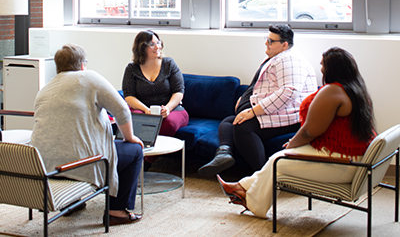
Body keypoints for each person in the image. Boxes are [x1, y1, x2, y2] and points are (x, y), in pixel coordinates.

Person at [217, 47, 376, 218]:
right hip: (351, 156)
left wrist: (292, 145)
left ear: (332, 68)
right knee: (277, 160)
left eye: (322, 65)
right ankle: (242, 188)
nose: (320, 68)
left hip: (342, 162)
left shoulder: (333, 91)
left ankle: (251, 200)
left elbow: (309, 131)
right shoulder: (357, 89)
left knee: (279, 161)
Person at [30, 44, 144, 226]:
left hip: (45, 165)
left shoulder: (46, 87)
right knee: (134, 151)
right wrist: (130, 137)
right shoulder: (89, 77)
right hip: (79, 165)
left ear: (58, 66)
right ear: (83, 64)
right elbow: (122, 109)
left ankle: (71, 202)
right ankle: (116, 210)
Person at [198, 24, 318, 177]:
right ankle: (224, 154)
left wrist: (253, 111)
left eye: (271, 41)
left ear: (284, 45)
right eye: (266, 39)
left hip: (289, 115)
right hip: (277, 112)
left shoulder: (290, 60)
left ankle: (263, 176)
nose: (266, 43)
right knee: (229, 121)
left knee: (243, 127)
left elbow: (289, 92)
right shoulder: (277, 57)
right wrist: (244, 99)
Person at [122, 30, 189, 166]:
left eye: (158, 42)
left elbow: (179, 91)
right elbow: (128, 96)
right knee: (137, 120)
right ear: (142, 47)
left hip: (173, 109)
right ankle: (136, 159)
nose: (157, 47)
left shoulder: (169, 64)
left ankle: (146, 161)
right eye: (152, 44)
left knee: (168, 123)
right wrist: (145, 109)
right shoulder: (132, 69)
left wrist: (168, 108)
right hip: (144, 109)